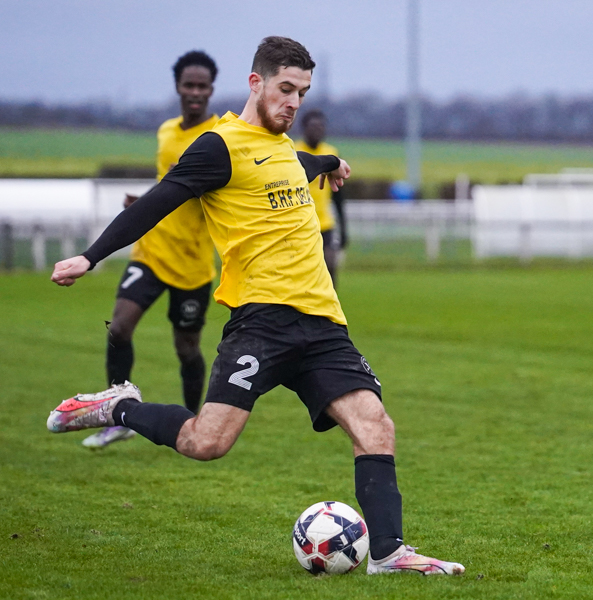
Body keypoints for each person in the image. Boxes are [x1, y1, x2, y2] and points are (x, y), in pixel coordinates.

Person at [47, 36, 464, 576]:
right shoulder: (218, 147)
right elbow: (156, 202)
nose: (294, 102)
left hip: (323, 325)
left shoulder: (284, 148)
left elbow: (299, 163)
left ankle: (388, 553)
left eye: (302, 93)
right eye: (285, 89)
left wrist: (332, 161)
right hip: (260, 324)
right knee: (207, 442)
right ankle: (119, 406)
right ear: (256, 83)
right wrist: (91, 256)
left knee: (375, 425)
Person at [82, 50, 219, 449]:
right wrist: (143, 201)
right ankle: (118, 415)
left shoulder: (219, 137)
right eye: (189, 85)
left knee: (187, 348)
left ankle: (192, 425)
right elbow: (169, 186)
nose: (195, 92)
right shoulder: (165, 132)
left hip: (193, 263)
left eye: (203, 86)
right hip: (151, 251)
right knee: (119, 327)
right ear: (178, 87)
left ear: (211, 90)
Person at [295, 110, 347, 287]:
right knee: (302, 272)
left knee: (330, 264)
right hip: (300, 224)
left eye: (321, 127)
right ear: (304, 129)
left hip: (325, 223)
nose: (317, 131)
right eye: (313, 127)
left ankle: (331, 301)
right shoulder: (293, 151)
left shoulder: (331, 153)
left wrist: (344, 228)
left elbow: (338, 196)